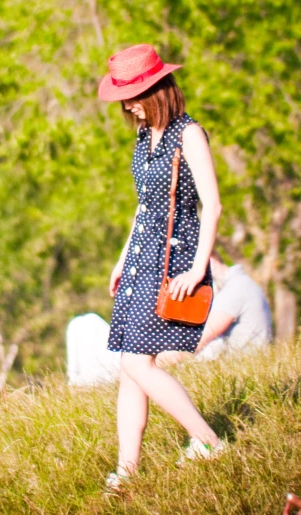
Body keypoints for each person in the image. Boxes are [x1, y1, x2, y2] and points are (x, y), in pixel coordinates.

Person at [97, 43, 225, 492]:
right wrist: (120, 257)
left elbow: (212, 205)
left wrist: (198, 266)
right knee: (132, 366)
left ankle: (208, 440)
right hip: (141, 257)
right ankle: (127, 469)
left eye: (135, 96)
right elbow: (144, 206)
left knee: (138, 363)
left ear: (159, 89)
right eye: (125, 98)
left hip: (174, 258)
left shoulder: (189, 134)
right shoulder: (143, 136)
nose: (129, 106)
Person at [158, 252, 272, 365]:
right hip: (248, 360)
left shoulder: (236, 288)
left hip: (241, 363)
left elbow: (201, 338)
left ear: (208, 260)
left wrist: (158, 360)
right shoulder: (242, 283)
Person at [66, 313, 120, 386]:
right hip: (112, 379)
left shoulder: (74, 326)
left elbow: (73, 367)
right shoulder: (98, 323)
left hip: (86, 384)